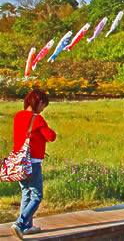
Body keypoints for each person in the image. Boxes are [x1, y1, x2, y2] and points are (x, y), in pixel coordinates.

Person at [10, 89, 56, 240]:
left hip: (19, 161)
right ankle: (20, 224)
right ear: (39, 102)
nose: (43, 109)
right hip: (33, 162)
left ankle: (28, 226)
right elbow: (50, 136)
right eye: (44, 106)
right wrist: (51, 131)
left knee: (26, 193)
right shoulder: (37, 119)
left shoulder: (18, 116)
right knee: (37, 196)